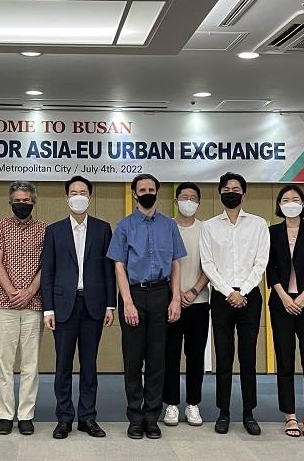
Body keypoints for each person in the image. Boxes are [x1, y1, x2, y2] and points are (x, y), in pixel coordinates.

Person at [107, 174, 184, 440]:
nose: (147, 192)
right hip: (134, 295)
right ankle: (135, 417)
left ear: (157, 192)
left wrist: (175, 298)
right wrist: (127, 302)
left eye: (152, 188)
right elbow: (119, 266)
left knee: (157, 359)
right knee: (133, 359)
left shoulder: (169, 225)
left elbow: (176, 263)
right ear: (135, 194)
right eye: (143, 189)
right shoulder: (124, 226)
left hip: (162, 293)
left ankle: (152, 417)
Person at [41, 176, 115, 440]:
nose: (79, 196)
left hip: (94, 305)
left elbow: (109, 270)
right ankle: (64, 418)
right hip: (63, 306)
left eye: (83, 192)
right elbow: (48, 272)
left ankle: (87, 418)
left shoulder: (103, 229)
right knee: (63, 365)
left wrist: (110, 305)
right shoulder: (54, 230)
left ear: (90, 197)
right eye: (74, 192)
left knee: (89, 365)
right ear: (67, 197)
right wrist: (48, 309)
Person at [200, 172, 269, 436]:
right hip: (221, 297)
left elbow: (261, 262)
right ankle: (224, 412)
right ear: (220, 193)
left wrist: (243, 291)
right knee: (224, 357)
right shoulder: (209, 226)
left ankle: (249, 413)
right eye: (227, 189)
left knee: (248, 357)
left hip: (250, 297)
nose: (231, 192)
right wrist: (230, 292)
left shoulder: (258, 224)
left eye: (236, 189)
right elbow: (208, 264)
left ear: (244, 194)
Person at [266, 185, 304, 438]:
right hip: (281, 304)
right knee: (285, 361)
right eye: (286, 199)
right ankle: (289, 415)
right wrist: (283, 296)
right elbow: (269, 267)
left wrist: (303, 296)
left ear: (303, 204)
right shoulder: (272, 232)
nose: (291, 203)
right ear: (279, 205)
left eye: (295, 199)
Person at [0, 181, 47, 436]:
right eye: (17, 201)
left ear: (33, 202)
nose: (21, 204)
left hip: (34, 303)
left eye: (26, 200)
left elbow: (47, 265)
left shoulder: (44, 229)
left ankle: (25, 415)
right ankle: (4, 415)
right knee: (4, 362)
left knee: (30, 363)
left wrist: (29, 292)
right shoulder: (0, 226)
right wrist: (13, 292)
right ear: (10, 202)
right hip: (4, 303)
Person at [162, 182, 210, 429]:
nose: (188, 201)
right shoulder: (165, 227)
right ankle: (171, 403)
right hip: (171, 303)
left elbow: (211, 265)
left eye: (193, 198)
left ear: (199, 203)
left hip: (199, 302)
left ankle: (193, 403)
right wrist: (175, 294)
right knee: (170, 355)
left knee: (195, 355)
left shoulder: (206, 229)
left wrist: (193, 291)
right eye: (184, 197)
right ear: (176, 201)